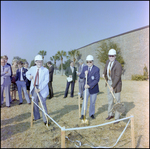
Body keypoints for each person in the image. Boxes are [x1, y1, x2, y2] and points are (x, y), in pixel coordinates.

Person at [26, 55, 50, 125]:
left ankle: (45, 120)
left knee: (43, 104)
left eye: (41, 62)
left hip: (42, 88)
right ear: (35, 62)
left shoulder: (45, 70)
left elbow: (46, 81)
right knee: (35, 103)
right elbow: (27, 74)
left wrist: (39, 89)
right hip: (34, 87)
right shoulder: (32, 68)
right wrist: (29, 77)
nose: (40, 63)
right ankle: (37, 117)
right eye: (38, 62)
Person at [102, 49, 122, 124]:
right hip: (109, 82)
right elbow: (105, 69)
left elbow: (117, 76)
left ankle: (117, 118)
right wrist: (104, 74)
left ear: (115, 56)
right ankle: (110, 114)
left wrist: (113, 86)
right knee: (110, 100)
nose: (111, 57)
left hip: (116, 84)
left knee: (117, 101)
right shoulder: (108, 62)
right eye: (110, 56)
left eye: (112, 56)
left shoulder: (118, 65)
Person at [80, 55, 100, 120]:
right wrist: (84, 74)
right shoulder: (84, 68)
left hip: (93, 88)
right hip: (86, 88)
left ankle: (91, 114)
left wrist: (89, 85)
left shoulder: (96, 69)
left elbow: (97, 79)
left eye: (90, 62)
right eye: (87, 62)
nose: (89, 63)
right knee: (84, 101)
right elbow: (80, 76)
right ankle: (83, 114)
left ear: (93, 62)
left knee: (92, 102)